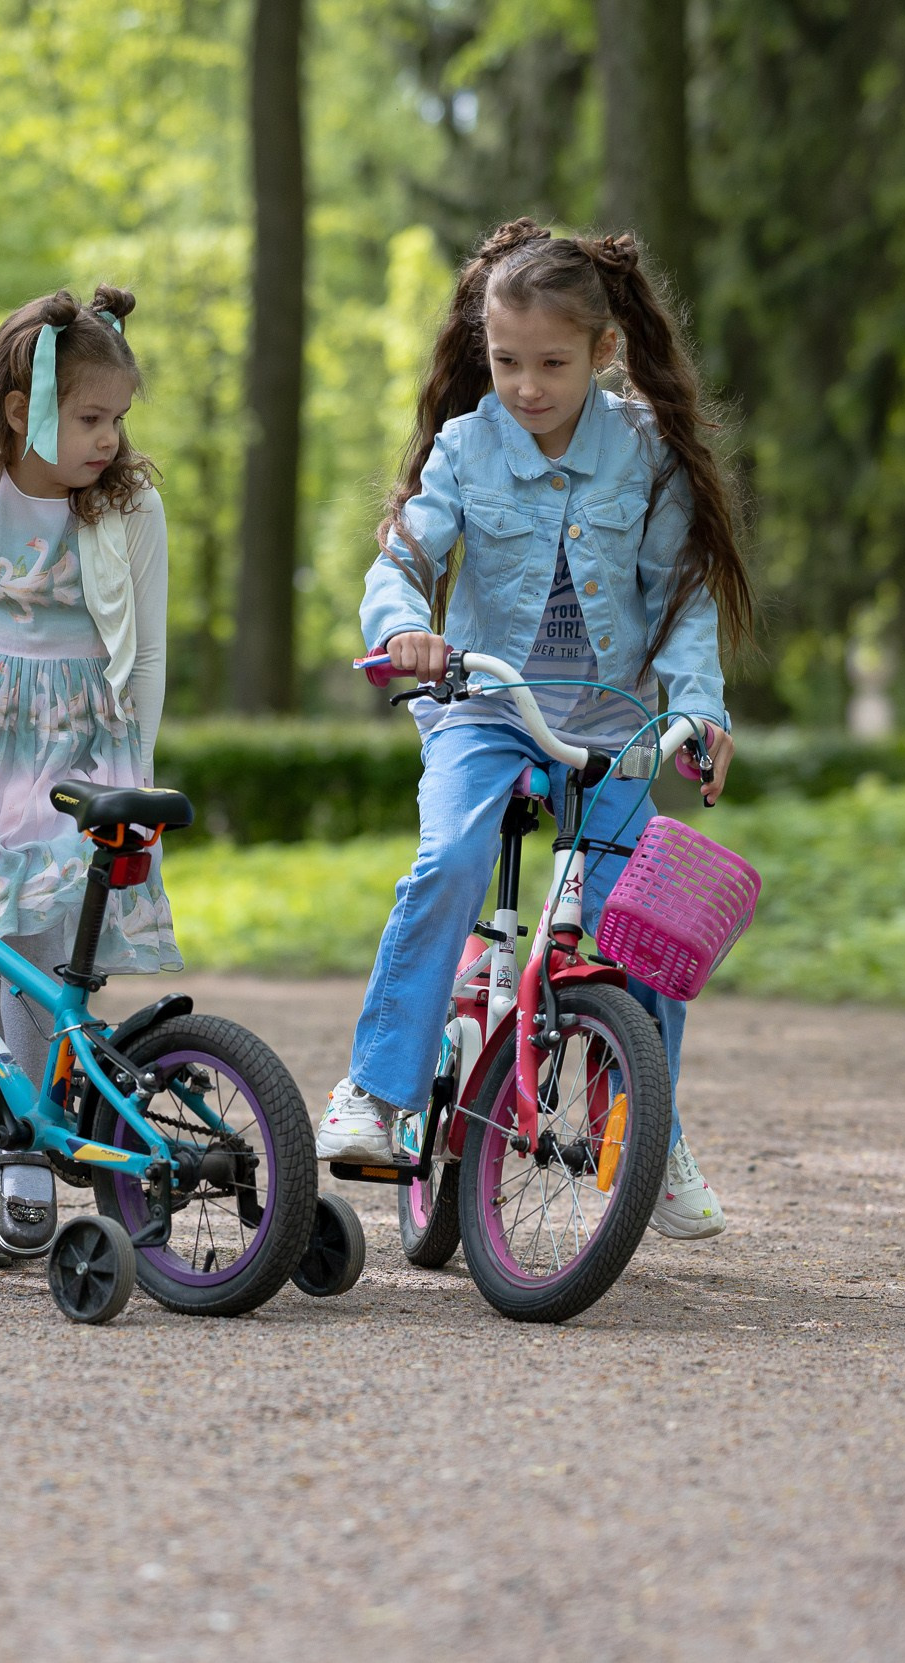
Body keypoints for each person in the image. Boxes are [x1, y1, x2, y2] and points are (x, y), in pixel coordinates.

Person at [322, 218, 753, 1240]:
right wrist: (406, 630)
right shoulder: (468, 447)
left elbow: (684, 596)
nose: (526, 385)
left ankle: (647, 1127)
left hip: (605, 720)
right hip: (484, 707)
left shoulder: (644, 452)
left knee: (649, 924)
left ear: (602, 353)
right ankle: (376, 1093)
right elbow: (402, 562)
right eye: (506, 360)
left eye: (551, 363)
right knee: (451, 857)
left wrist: (697, 709)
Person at [0, 285, 178, 1267]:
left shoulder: (128, 502)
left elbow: (143, 654)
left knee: (40, 958)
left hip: (76, 745)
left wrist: (133, 782)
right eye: (90, 418)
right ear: (23, 408)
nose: (109, 439)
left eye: (119, 419)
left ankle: (29, 1171)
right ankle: (2, 1176)